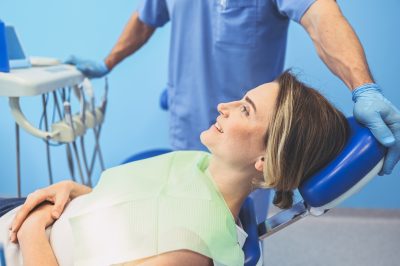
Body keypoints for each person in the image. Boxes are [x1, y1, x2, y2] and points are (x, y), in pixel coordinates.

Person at [0, 71, 350, 265]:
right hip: (31, 214)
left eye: (245, 109)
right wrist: (76, 191)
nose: (223, 106)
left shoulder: (189, 252)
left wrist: (33, 226)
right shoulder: (198, 167)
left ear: (267, 160)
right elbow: (139, 220)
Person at [65, 0, 400, 175]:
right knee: (185, 221)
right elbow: (146, 18)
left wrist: (363, 86)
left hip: (249, 141)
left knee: (237, 235)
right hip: (189, 123)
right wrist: (108, 62)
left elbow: (320, 17)